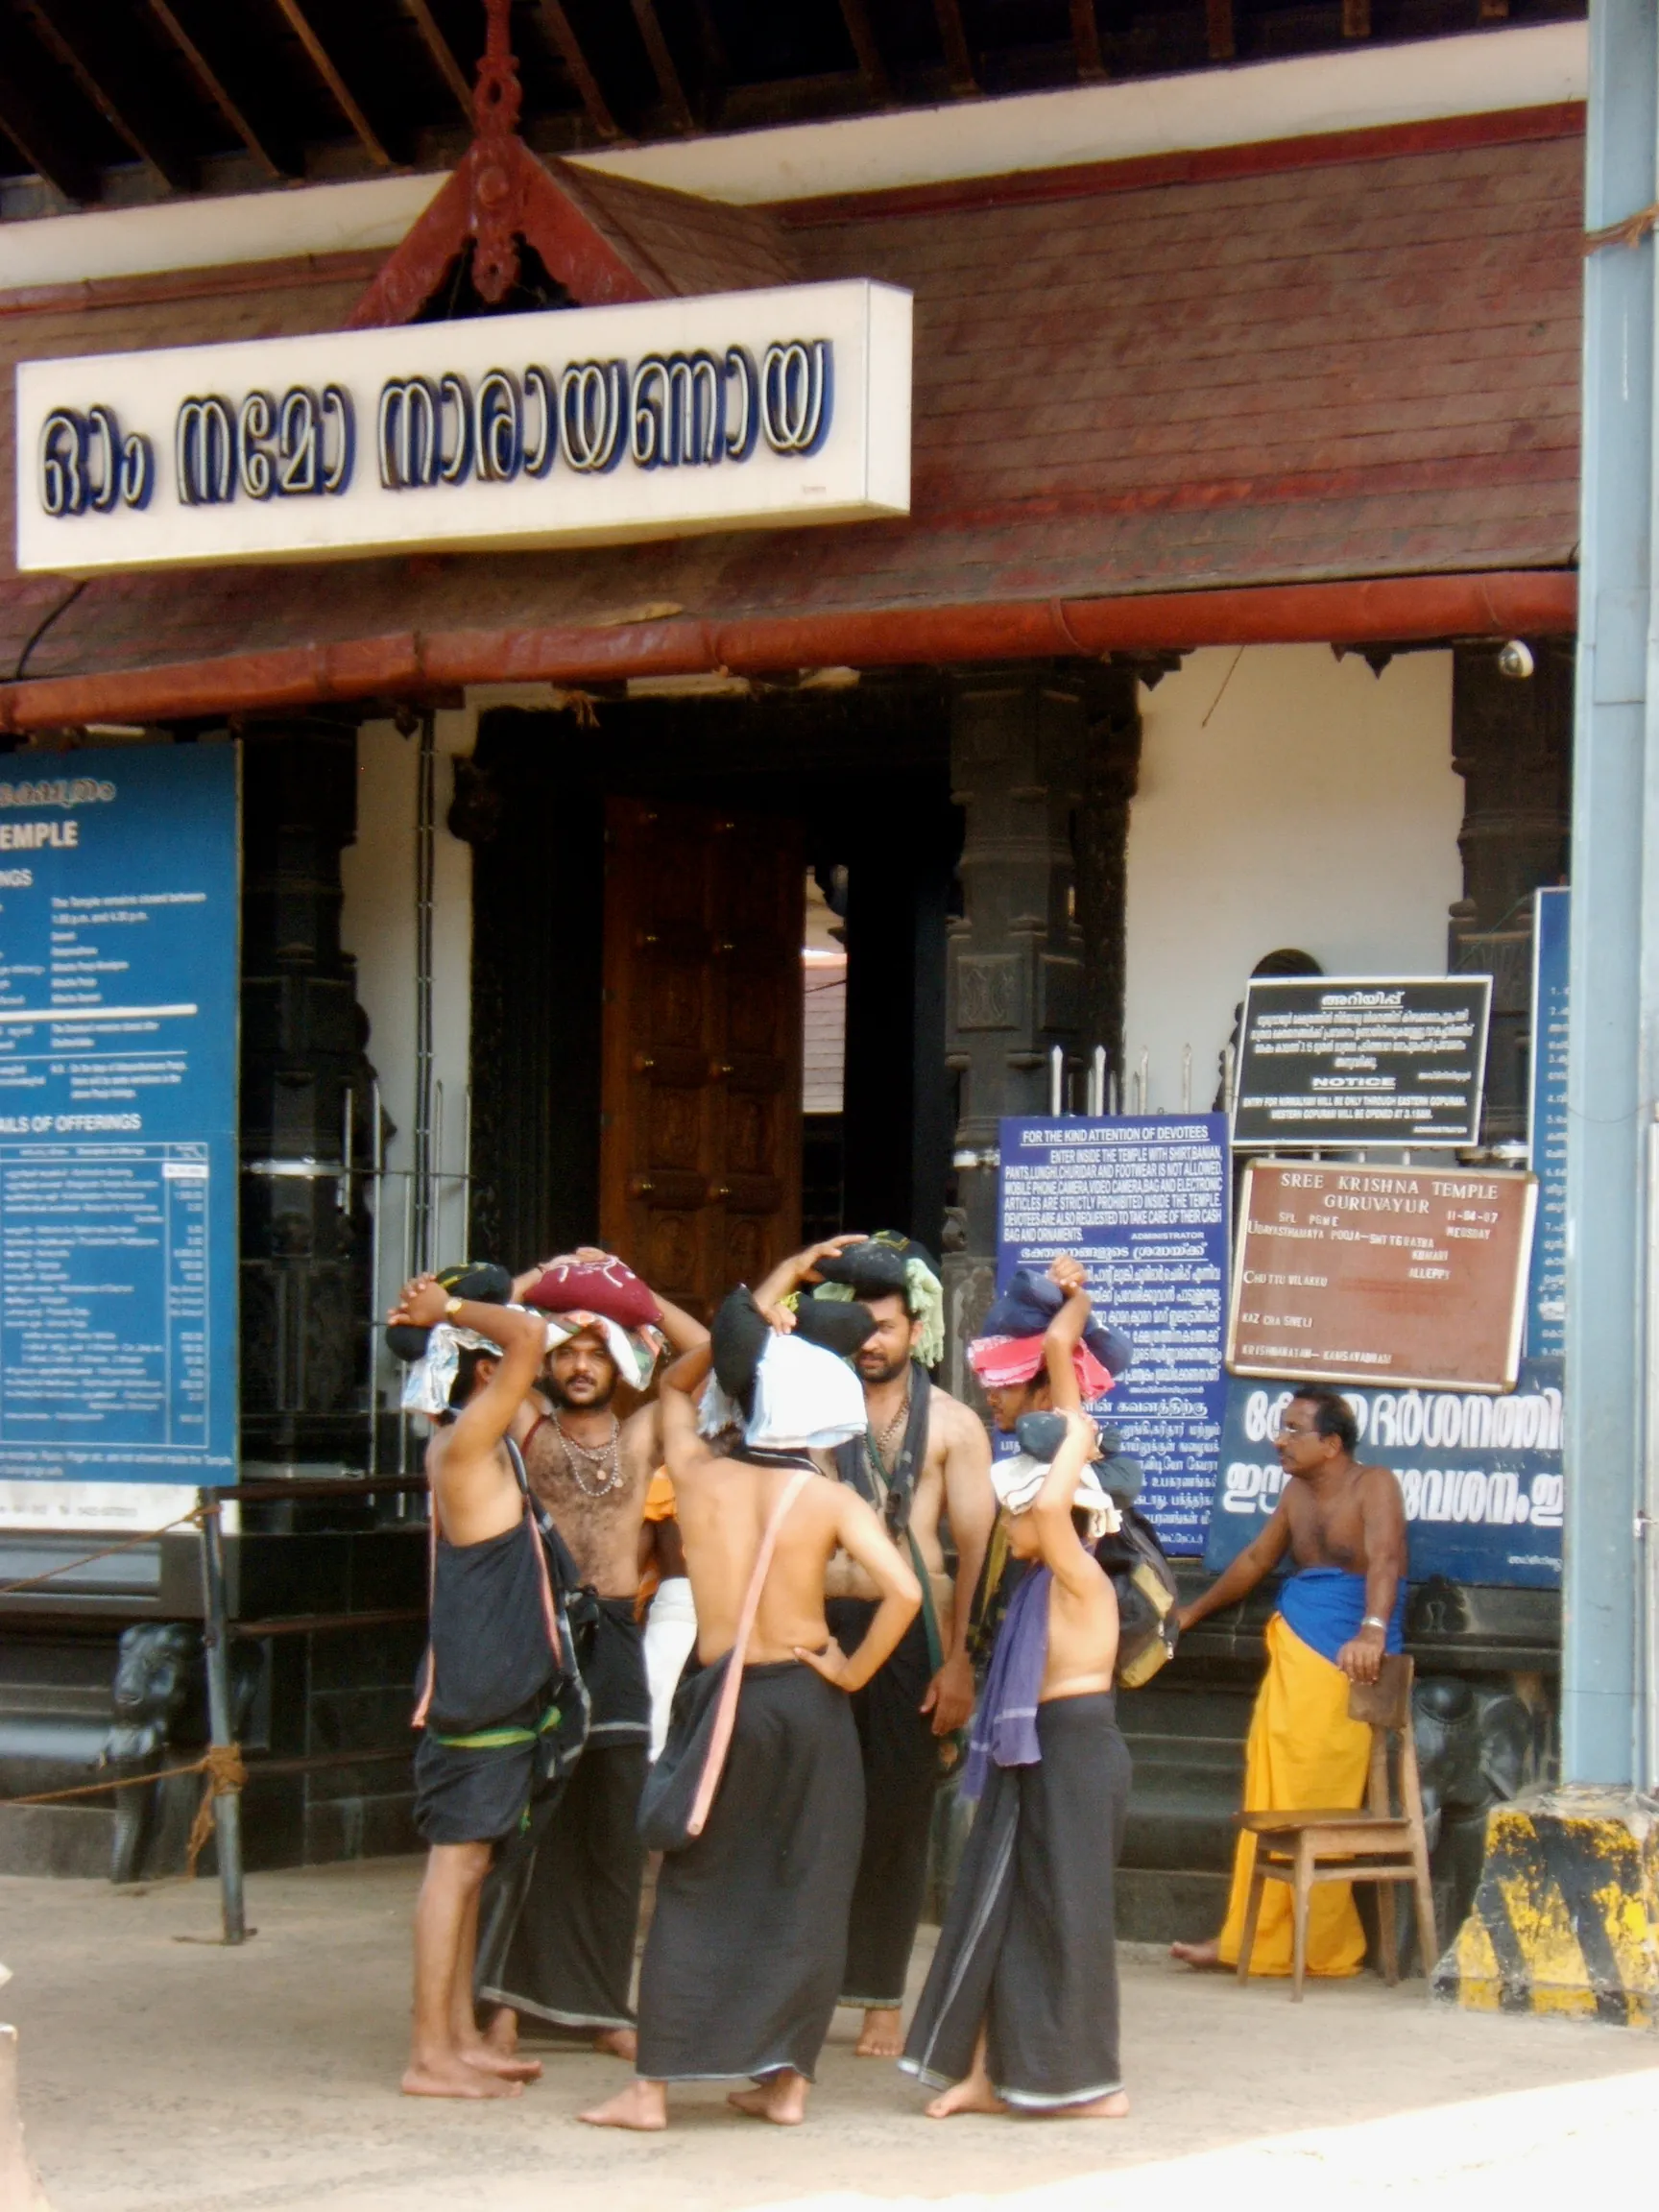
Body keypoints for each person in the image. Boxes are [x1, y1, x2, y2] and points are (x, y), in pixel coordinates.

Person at [581, 1291, 921, 2132]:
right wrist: (850, 1672)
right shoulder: (830, 1500)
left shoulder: (699, 1477)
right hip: (807, 1699)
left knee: (696, 1883)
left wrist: (746, 1340)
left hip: (727, 1697)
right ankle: (785, 2083)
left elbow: (672, 1387)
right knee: (807, 1887)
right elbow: (907, 1592)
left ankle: (652, 2090)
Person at [475, 1249, 706, 2062]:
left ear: (621, 1363)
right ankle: (501, 2008)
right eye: (566, 1351)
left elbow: (709, 1350)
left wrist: (627, 1289)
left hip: (616, 1635)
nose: (579, 1366)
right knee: (528, 1820)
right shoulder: (524, 1422)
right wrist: (543, 1280)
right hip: (539, 1633)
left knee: (614, 1825)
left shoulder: (645, 1434)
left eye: (596, 1352)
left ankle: (605, 2007)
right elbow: (479, 1330)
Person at [791, 1232, 997, 2057]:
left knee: (898, 1817)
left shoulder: (954, 1425)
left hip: (914, 1635)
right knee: (811, 1813)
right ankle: (805, 1987)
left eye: (884, 1327)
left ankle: (880, 1998)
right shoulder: (812, 1411)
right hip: (818, 1624)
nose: (870, 1342)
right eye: (858, 1327)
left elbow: (977, 1551)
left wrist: (962, 1661)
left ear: (918, 1329)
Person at [901, 1403, 1130, 2120]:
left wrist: (1078, 1441)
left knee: (1064, 1914)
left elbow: (1056, 1505)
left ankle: (1094, 2087)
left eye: (1016, 1510)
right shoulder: (1035, 1584)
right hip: (1033, 1750)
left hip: (1075, 1752)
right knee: (998, 1909)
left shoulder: (1080, 1574)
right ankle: (985, 2074)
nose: (1007, 1523)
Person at [392, 1272, 581, 2101]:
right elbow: (529, 1340)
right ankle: (427, 2054)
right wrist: (454, 1311)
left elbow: (526, 1334)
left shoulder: (478, 1435)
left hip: (493, 1680)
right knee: (456, 1867)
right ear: (484, 1372)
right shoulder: (468, 1442)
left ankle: (459, 2038)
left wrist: (516, 1288)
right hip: (479, 1686)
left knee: (472, 1867)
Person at [1169, 1382, 1408, 1979]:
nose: (1280, 1441)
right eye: (1280, 1429)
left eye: (1294, 1430)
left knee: (1314, 1797)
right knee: (1270, 1793)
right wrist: (1192, 1612)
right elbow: (1255, 1561)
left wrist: (1372, 1631)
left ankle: (1318, 1945)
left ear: (1331, 1444)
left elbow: (1387, 1559)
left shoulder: (1374, 1484)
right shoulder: (1295, 1493)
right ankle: (1248, 1936)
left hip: (1350, 1656)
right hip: (1298, 1650)